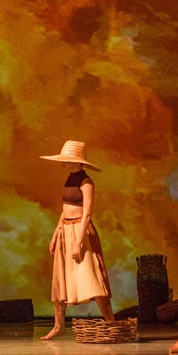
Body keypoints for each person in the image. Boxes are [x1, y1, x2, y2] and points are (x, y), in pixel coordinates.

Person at [39, 140, 114, 340]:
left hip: (81, 231)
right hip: (66, 230)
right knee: (60, 280)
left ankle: (110, 322)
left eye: (67, 159)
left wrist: (79, 241)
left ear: (77, 161)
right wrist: (56, 233)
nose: (64, 162)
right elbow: (65, 210)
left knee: (93, 278)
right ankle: (59, 326)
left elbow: (87, 213)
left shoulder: (86, 182)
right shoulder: (69, 179)